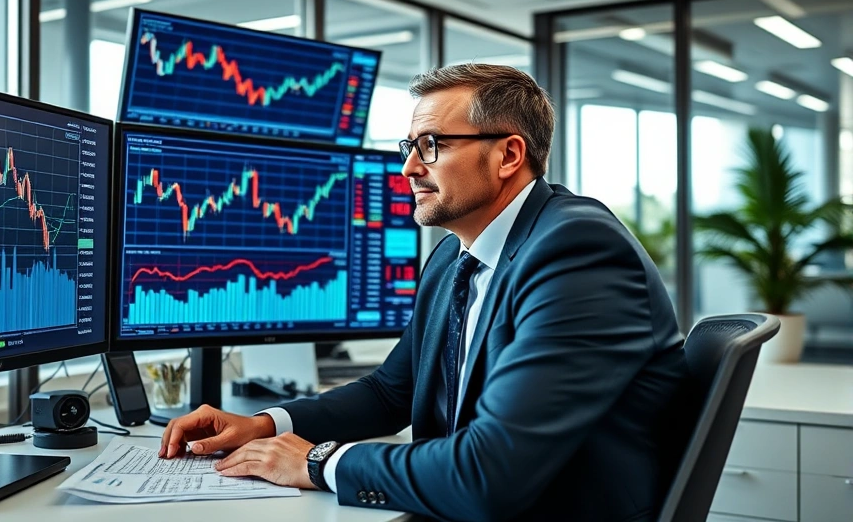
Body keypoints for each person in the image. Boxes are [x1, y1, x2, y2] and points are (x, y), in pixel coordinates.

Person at [158, 63, 692, 522]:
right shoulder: (454, 257)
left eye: (432, 145)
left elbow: (489, 473)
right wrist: (263, 425)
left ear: (508, 155)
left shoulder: (577, 250)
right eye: (409, 147)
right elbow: (391, 392)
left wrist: (318, 462)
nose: (409, 167)